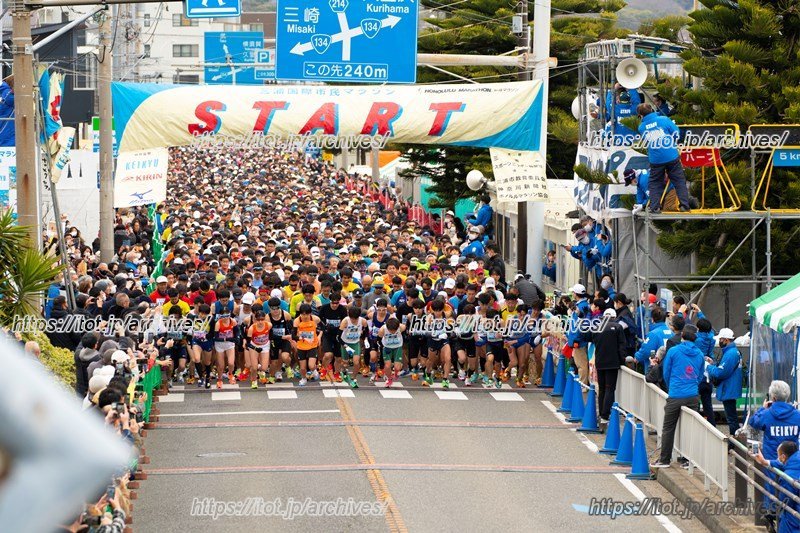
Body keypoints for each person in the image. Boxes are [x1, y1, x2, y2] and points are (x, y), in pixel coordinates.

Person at [651, 324, 705, 468]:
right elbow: (700, 375)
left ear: (682, 336)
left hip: (675, 393)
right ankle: (690, 461)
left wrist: (672, 387)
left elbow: (666, 372)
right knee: (692, 428)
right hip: (693, 395)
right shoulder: (699, 354)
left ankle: (664, 460)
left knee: (668, 428)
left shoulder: (673, 351)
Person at [636, 103, 691, 213]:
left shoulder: (641, 127)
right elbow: (676, 133)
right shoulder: (664, 119)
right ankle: (684, 205)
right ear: (652, 110)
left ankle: (655, 207)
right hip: (671, 155)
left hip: (656, 159)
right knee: (679, 180)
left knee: (655, 183)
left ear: (640, 115)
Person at [754, 440, 800, 533]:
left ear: (783, 457)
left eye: (778, 455)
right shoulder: (796, 459)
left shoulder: (788, 477)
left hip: (794, 518)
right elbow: (783, 464)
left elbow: (785, 502)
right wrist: (765, 462)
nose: (777, 458)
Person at [704, 328, 742, 435]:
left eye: (721, 339)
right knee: (732, 417)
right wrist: (713, 363)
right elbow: (724, 368)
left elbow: (720, 373)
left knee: (731, 418)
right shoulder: (733, 352)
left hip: (728, 388)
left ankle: (733, 441)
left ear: (726, 340)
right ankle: (734, 439)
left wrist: (708, 367)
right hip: (731, 387)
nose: (719, 341)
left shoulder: (730, 354)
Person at [591, 308, 626, 421]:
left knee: (601, 388)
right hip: (613, 362)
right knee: (610, 388)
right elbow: (621, 346)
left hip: (599, 361)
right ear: (614, 317)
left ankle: (601, 412)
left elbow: (593, 341)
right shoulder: (617, 327)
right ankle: (605, 414)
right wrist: (622, 360)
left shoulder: (596, 327)